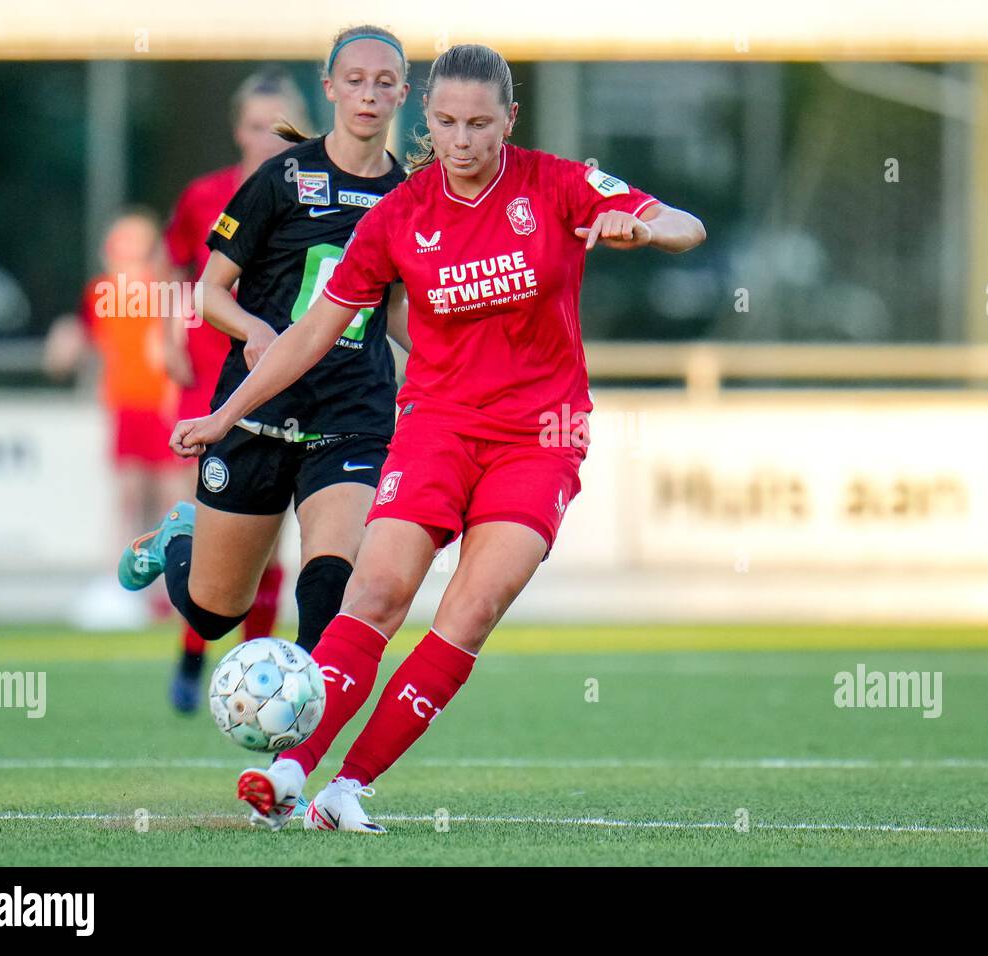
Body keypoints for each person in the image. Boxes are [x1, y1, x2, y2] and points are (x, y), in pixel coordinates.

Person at [170, 43, 706, 832]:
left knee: (471, 609)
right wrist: (223, 415)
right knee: (377, 592)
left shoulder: (556, 183)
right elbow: (310, 332)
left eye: (479, 124)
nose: (461, 141)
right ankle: (289, 769)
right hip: (435, 427)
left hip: (539, 438)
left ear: (508, 121)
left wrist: (647, 230)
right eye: (447, 122)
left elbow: (687, 226)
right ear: (427, 118)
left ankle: (348, 788)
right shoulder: (399, 216)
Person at [118, 26, 414, 793]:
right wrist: (254, 329)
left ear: (402, 95)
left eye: (386, 83)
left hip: (353, 414)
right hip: (253, 414)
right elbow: (211, 290)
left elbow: (405, 317)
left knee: (332, 585)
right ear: (331, 86)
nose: (370, 95)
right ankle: (181, 538)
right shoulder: (283, 178)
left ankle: (291, 767)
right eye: (356, 80)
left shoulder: (410, 194)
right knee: (217, 613)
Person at [160, 71, 310, 713]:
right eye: (256, 126)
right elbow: (179, 270)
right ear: (236, 129)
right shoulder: (208, 196)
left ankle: (255, 668)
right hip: (213, 377)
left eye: (281, 128)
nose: (268, 140)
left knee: (269, 539)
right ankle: (193, 654)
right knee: (219, 534)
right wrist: (166, 337)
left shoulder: (321, 193)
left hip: (289, 382)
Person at [46, 209, 188, 617]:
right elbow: (82, 335)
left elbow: (180, 338)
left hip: (165, 409)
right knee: (128, 498)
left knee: (172, 498)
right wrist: (66, 342)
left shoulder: (166, 292)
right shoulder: (100, 294)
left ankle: (175, 589)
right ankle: (124, 585)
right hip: (126, 406)